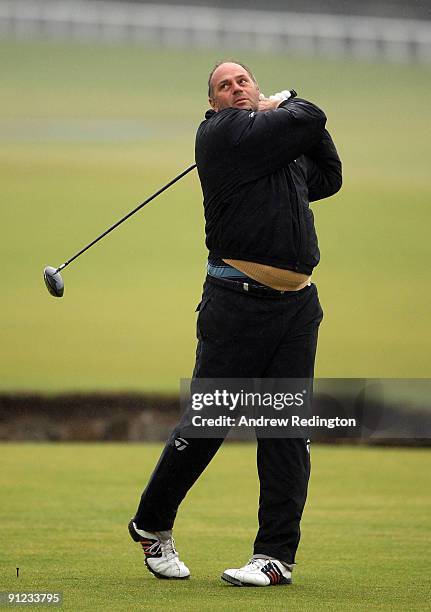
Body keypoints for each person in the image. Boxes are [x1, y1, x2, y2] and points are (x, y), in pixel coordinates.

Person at [128, 61, 342, 586]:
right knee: (209, 422)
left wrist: (290, 119)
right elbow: (309, 112)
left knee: (287, 432)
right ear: (213, 104)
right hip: (237, 302)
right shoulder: (220, 135)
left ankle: (274, 557)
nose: (236, 88)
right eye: (224, 86)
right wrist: (283, 106)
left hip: (296, 309)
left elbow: (329, 174)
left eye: (243, 80)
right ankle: (152, 525)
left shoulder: (274, 153)